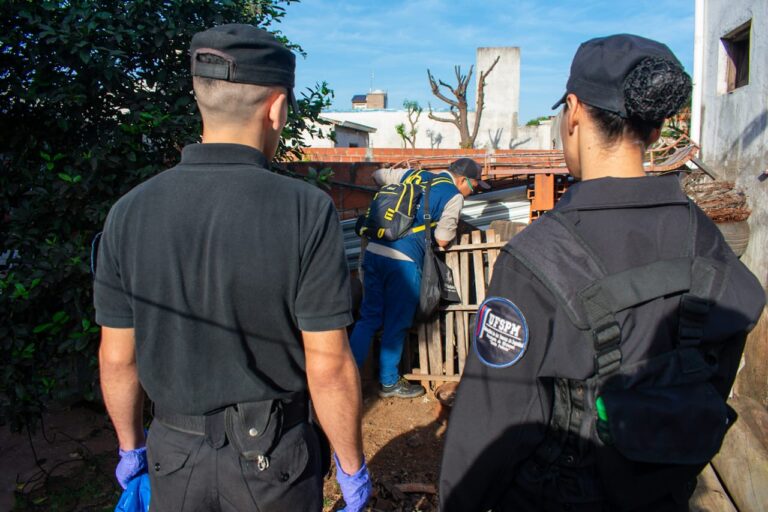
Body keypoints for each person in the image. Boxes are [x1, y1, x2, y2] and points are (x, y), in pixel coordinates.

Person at [440, 34, 765, 512]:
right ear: (654, 132)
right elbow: (721, 355)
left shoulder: (537, 257)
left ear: (573, 112)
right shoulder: (706, 239)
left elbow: (489, 420)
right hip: (662, 494)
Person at [94, 24, 371, 511]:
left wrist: (130, 448)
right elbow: (327, 364)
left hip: (171, 458)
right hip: (273, 466)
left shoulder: (128, 211)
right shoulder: (305, 209)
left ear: (202, 99)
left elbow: (118, 358)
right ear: (278, 108)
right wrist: (352, 468)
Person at [350, 159, 489, 398]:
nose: (472, 192)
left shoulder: (414, 176)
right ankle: (389, 382)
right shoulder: (453, 195)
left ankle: (345, 379)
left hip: (373, 252)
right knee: (397, 321)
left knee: (369, 318)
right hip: (403, 262)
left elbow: (377, 175)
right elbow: (443, 238)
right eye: (474, 186)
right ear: (462, 179)